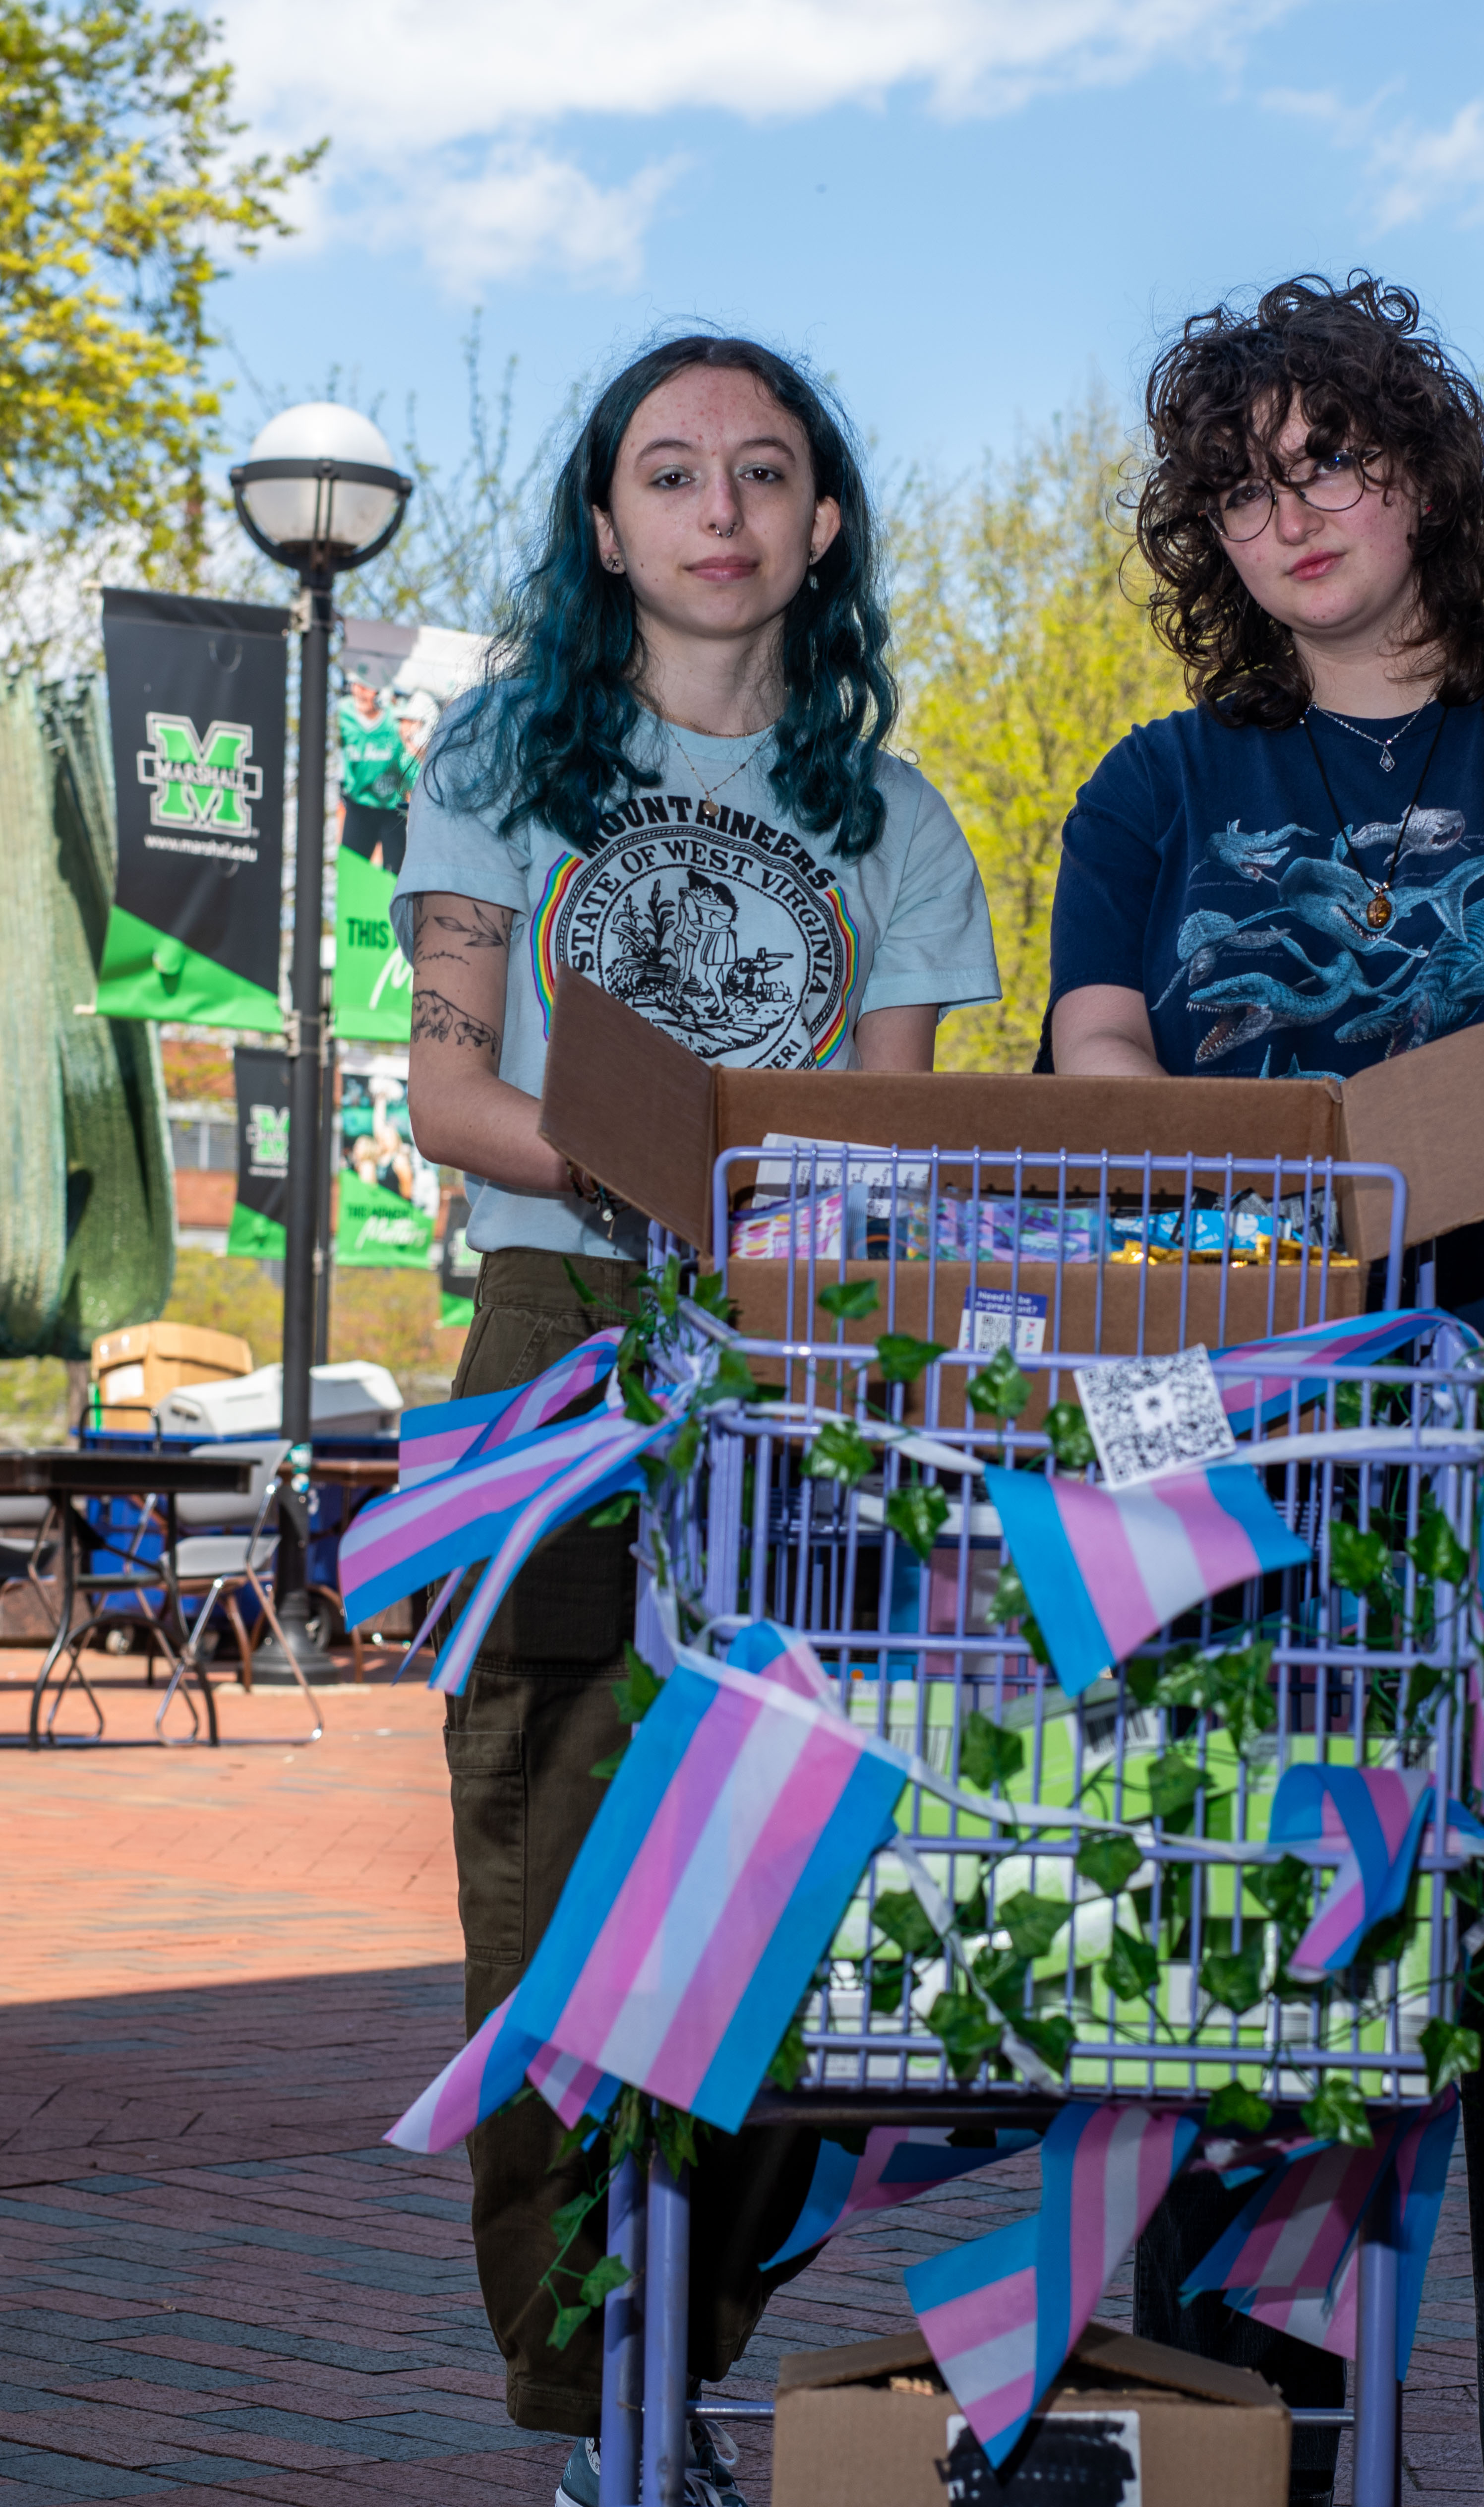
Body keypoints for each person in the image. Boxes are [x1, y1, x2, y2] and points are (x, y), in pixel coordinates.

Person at [1047, 273, 1484, 2506]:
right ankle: (1243, 2473)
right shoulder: (1157, 792)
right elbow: (1100, 1073)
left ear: (1434, 479)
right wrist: (1296, 1215)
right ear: (1207, 542)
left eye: (1334, 459)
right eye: (1244, 489)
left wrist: (1301, 1181)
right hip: (1236, 1480)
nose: (1297, 515)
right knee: (1235, 2000)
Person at [396, 332, 998, 2507]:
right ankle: (597, 2428)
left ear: (821, 526)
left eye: (766, 472)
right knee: (550, 1902)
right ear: (607, 525)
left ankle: (682, 2343)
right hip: (558, 1331)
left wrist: (771, 1211)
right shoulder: (504, 758)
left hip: (797, 1359)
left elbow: (893, 1138)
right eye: (672, 474)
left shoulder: (897, 828)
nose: (720, 509)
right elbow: (450, 1085)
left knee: (815, 1896)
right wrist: (646, 1159)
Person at [337, 671, 416, 868]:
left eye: (367, 686)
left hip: (392, 810)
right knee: (352, 872)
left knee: (394, 873)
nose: (360, 692)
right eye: (357, 685)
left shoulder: (397, 719)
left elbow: (413, 764)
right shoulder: (343, 713)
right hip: (359, 807)